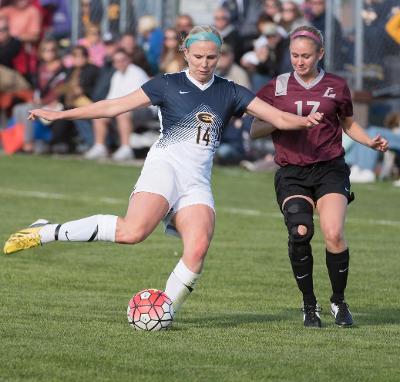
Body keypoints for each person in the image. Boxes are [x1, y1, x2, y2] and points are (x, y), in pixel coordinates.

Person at [3, 25, 322, 316]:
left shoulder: (231, 91)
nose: (204, 63)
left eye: (212, 57)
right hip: (165, 168)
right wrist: (60, 116)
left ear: (220, 56)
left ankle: (161, 313)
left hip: (196, 180)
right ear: (185, 53)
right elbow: (113, 106)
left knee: (197, 248)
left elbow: (278, 118)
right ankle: (44, 231)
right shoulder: (166, 85)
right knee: (132, 233)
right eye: (198, 56)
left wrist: (306, 119)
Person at [251, 25, 389, 328]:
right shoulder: (278, 86)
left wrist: (369, 141)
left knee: (334, 233)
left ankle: (338, 301)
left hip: (329, 168)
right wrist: (288, 122)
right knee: (300, 231)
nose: (299, 61)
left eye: (306, 56)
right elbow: (255, 128)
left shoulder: (337, 85)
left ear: (320, 54)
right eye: (294, 55)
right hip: (292, 171)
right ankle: (309, 305)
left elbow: (348, 123)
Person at [84, 48, 149, 161]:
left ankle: (126, 148)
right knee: (99, 115)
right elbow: (111, 98)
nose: (120, 63)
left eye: (123, 60)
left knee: (123, 114)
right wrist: (105, 110)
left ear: (129, 60)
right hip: (125, 108)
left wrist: (116, 109)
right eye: (116, 61)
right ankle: (100, 146)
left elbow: (136, 101)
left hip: (145, 109)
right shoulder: (116, 75)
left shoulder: (136, 73)